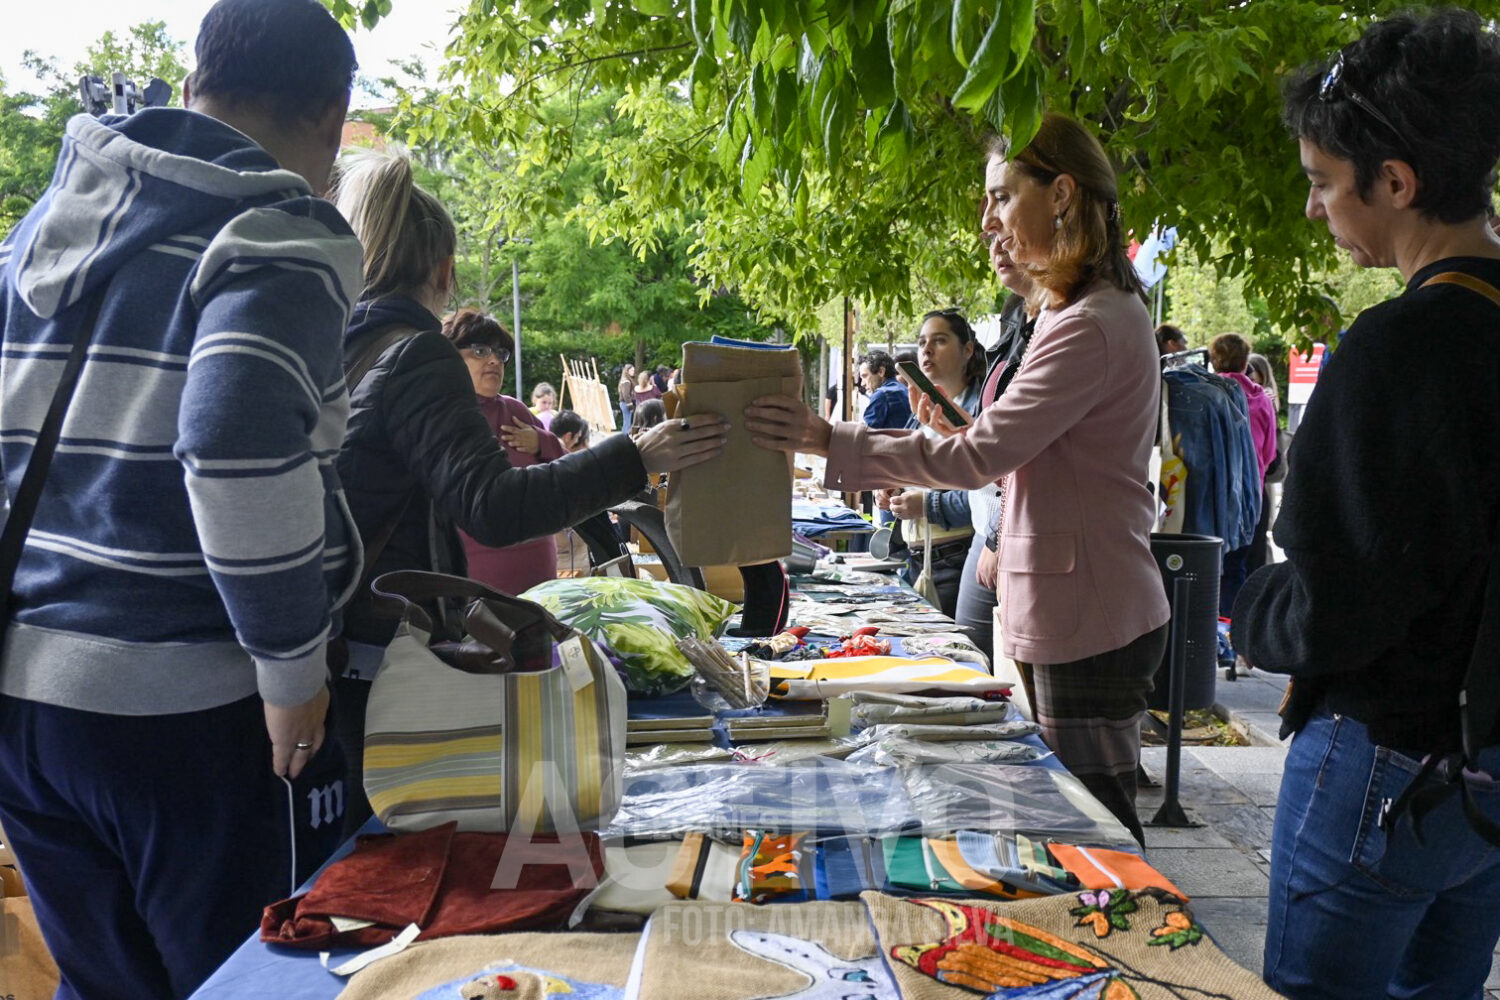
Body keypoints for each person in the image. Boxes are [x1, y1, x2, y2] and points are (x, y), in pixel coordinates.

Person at [0, 2, 359, 996]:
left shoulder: (52, 220)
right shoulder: (280, 227)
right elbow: (235, 437)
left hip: (27, 705)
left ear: (195, 86)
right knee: (253, 980)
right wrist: (291, 672)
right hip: (180, 710)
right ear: (332, 117)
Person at [748, 113, 1169, 843]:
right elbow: (1012, 452)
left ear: (1062, 193)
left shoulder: (1091, 322)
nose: (988, 222)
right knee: (1080, 809)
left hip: (1091, 612)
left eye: (1002, 197)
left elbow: (981, 457)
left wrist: (826, 437)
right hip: (1077, 605)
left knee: (1095, 823)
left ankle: (1130, 935)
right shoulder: (1083, 314)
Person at [330, 148, 726, 834]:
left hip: (337, 653)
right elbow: (497, 505)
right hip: (383, 665)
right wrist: (634, 454)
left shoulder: (343, 347)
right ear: (445, 272)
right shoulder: (415, 354)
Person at [1232, 11, 1500, 998]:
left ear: (1396, 181)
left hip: (1386, 764)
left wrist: (1252, 605)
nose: (1314, 210)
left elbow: (1336, 604)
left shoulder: (1397, 348)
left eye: (1320, 181)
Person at [445, 310, 569, 596]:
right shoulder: (441, 415)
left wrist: (541, 442)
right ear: (449, 357)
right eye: (479, 350)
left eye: (500, 354)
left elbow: (568, 474)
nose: (493, 360)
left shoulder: (515, 411)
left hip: (541, 586)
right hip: (472, 589)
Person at [879, 310, 987, 618]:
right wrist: (891, 487)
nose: (926, 350)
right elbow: (907, 471)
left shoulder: (982, 411)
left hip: (957, 560)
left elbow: (993, 496)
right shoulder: (921, 409)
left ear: (967, 349)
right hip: (915, 558)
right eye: (922, 342)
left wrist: (928, 505)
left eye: (939, 341)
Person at [1208, 333, 1276, 628]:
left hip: (1210, 493)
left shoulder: (1205, 394)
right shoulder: (1260, 399)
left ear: (1212, 360)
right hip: (1250, 495)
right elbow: (1270, 452)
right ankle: (1234, 633)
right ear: (1247, 361)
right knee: (1239, 566)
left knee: (1208, 566)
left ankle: (1207, 631)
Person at [1244, 352, 1283, 573]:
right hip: (1261, 473)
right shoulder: (1265, 398)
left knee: (1258, 537)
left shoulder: (1264, 400)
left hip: (1261, 474)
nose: (1247, 373)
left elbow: (1269, 450)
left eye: (1251, 369)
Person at [857, 349, 912, 430]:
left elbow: (866, 433)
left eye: (865, 376)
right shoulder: (903, 389)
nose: (862, 384)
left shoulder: (882, 394)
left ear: (881, 371)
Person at [617, 362, 636, 431]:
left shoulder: (625, 380)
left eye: (633, 370)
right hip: (625, 403)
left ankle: (624, 437)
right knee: (627, 423)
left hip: (624, 403)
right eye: (632, 370)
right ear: (627, 371)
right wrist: (630, 406)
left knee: (626, 422)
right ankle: (625, 438)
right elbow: (626, 395)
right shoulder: (626, 381)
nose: (633, 372)